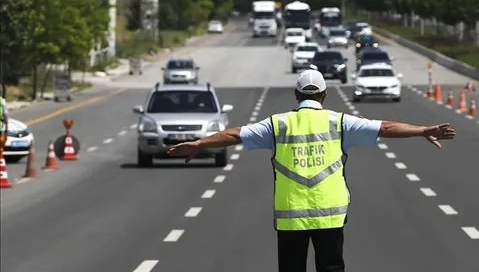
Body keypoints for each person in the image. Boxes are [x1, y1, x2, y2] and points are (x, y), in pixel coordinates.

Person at [167, 69, 456, 272]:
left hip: (290, 218)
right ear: (324, 95)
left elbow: (234, 134)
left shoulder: (277, 125)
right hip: (331, 214)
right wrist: (423, 130)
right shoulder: (340, 122)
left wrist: (199, 144)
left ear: (295, 94)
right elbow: (386, 127)